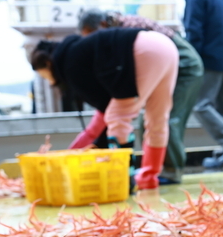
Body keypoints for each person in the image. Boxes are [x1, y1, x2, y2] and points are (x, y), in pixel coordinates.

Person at [30, 28, 178, 191]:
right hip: (165, 46)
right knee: (158, 119)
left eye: (44, 76)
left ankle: (123, 181)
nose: (49, 82)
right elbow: (103, 113)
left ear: (48, 64)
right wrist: (71, 153)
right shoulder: (78, 50)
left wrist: (71, 154)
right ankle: (148, 179)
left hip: (142, 52)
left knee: (118, 117)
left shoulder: (70, 66)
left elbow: (107, 111)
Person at [78, 9, 204, 184]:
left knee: (166, 118)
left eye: (92, 36)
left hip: (185, 66)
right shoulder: (120, 27)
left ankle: (170, 171)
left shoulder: (123, 32)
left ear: (102, 25)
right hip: (168, 62)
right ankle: (152, 172)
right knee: (151, 120)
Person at [183, 0, 223, 169]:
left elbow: (193, 29)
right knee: (222, 108)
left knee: (200, 104)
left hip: (207, 58)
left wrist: (192, 60)